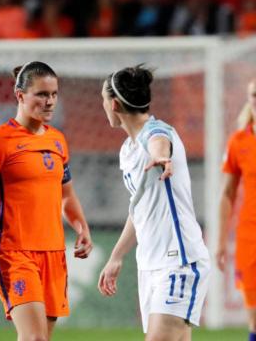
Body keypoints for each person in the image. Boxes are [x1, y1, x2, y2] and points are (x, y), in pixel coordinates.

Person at [0, 61, 93, 341]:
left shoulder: (58, 141)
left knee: (42, 338)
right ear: (20, 95)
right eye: (41, 94)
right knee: (34, 338)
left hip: (53, 252)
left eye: (54, 94)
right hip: (13, 252)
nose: (50, 101)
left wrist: (81, 227)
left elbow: (66, 194)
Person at [97, 65, 210, 340]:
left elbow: (159, 142)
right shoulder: (128, 150)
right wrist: (116, 255)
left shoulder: (157, 131)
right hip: (150, 263)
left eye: (103, 100)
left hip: (178, 260)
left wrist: (161, 157)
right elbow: (139, 209)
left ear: (113, 104)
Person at [217, 80, 256, 340]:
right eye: (254, 94)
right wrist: (221, 243)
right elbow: (227, 194)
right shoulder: (238, 141)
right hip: (250, 238)